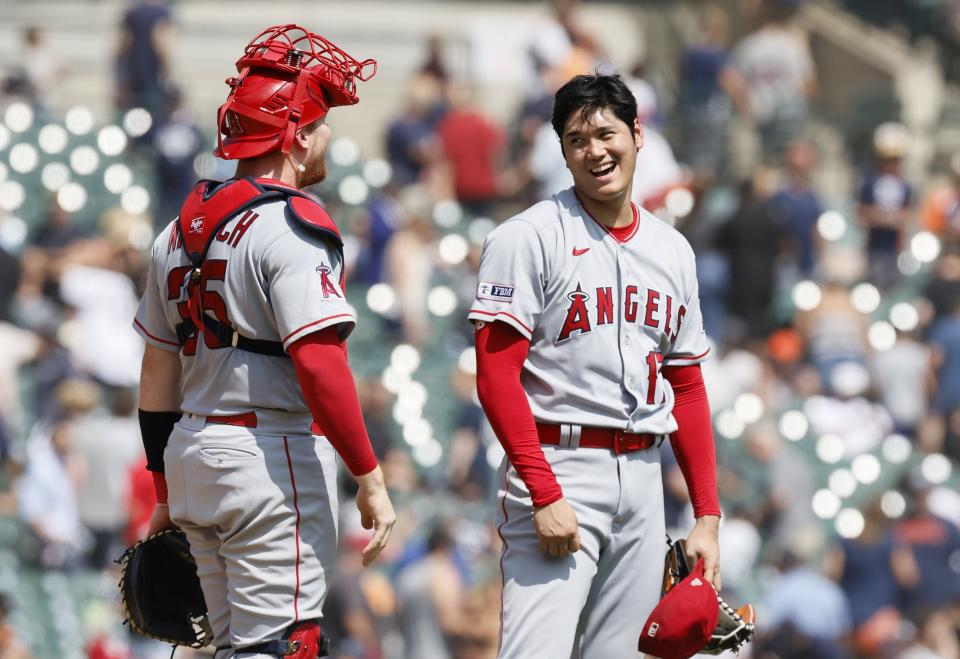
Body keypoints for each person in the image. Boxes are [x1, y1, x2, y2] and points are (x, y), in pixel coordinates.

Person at [133, 24, 396, 657]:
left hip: (193, 452)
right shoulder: (292, 226)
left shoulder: (174, 232)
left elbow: (156, 373)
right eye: (322, 122)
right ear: (297, 135)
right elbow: (319, 363)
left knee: (231, 649)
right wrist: (370, 475)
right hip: (267, 457)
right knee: (285, 645)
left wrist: (165, 485)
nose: (328, 134)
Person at [469, 73, 721, 658]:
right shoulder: (527, 237)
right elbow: (495, 375)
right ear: (562, 152)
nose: (595, 152)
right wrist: (542, 489)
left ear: (637, 134)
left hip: (643, 476)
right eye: (577, 141)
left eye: (606, 134)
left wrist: (706, 513)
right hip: (560, 465)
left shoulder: (672, 250)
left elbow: (686, 386)